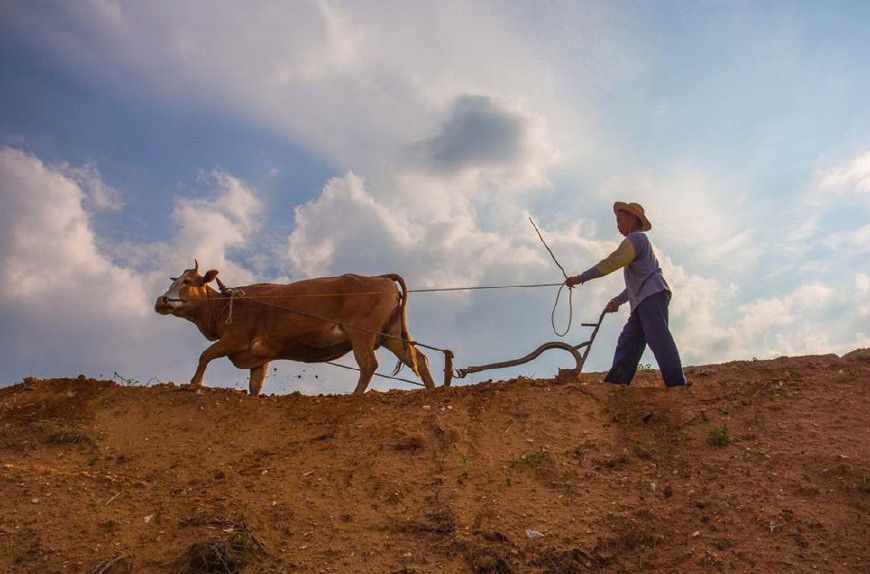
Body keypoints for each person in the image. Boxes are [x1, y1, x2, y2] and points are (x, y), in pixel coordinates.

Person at [565, 201, 687, 387]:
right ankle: (616, 384)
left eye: (620, 220)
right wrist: (618, 300)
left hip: (651, 296)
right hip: (644, 299)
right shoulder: (638, 244)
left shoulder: (636, 238)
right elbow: (636, 284)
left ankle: (677, 383)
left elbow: (611, 263)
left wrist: (581, 278)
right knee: (629, 341)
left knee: (658, 337)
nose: (617, 225)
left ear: (632, 218)